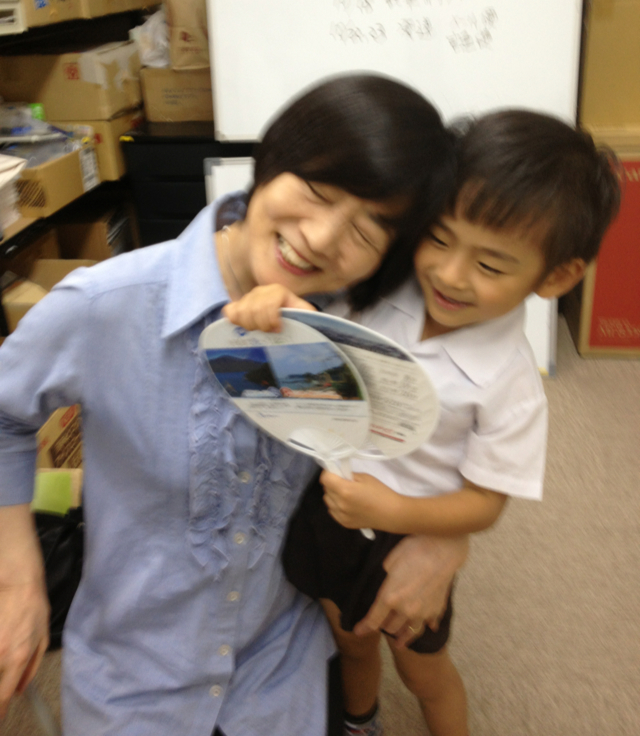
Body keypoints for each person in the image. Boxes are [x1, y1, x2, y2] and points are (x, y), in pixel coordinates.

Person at [0, 73, 469, 736]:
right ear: (272, 160)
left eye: (367, 231)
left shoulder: (358, 328)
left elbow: (453, 427)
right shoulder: (107, 305)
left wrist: (445, 537)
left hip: (280, 671)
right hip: (131, 681)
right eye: (316, 191)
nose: (321, 237)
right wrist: (16, 579)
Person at [227, 109, 621, 736]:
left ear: (556, 276)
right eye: (438, 238)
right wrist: (281, 303)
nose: (449, 274)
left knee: (423, 673)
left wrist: (395, 512)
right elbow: (321, 338)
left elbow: (485, 504)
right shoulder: (385, 286)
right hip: (326, 507)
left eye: (491, 266)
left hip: (407, 536)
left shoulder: (510, 384)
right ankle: (360, 720)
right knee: (348, 638)